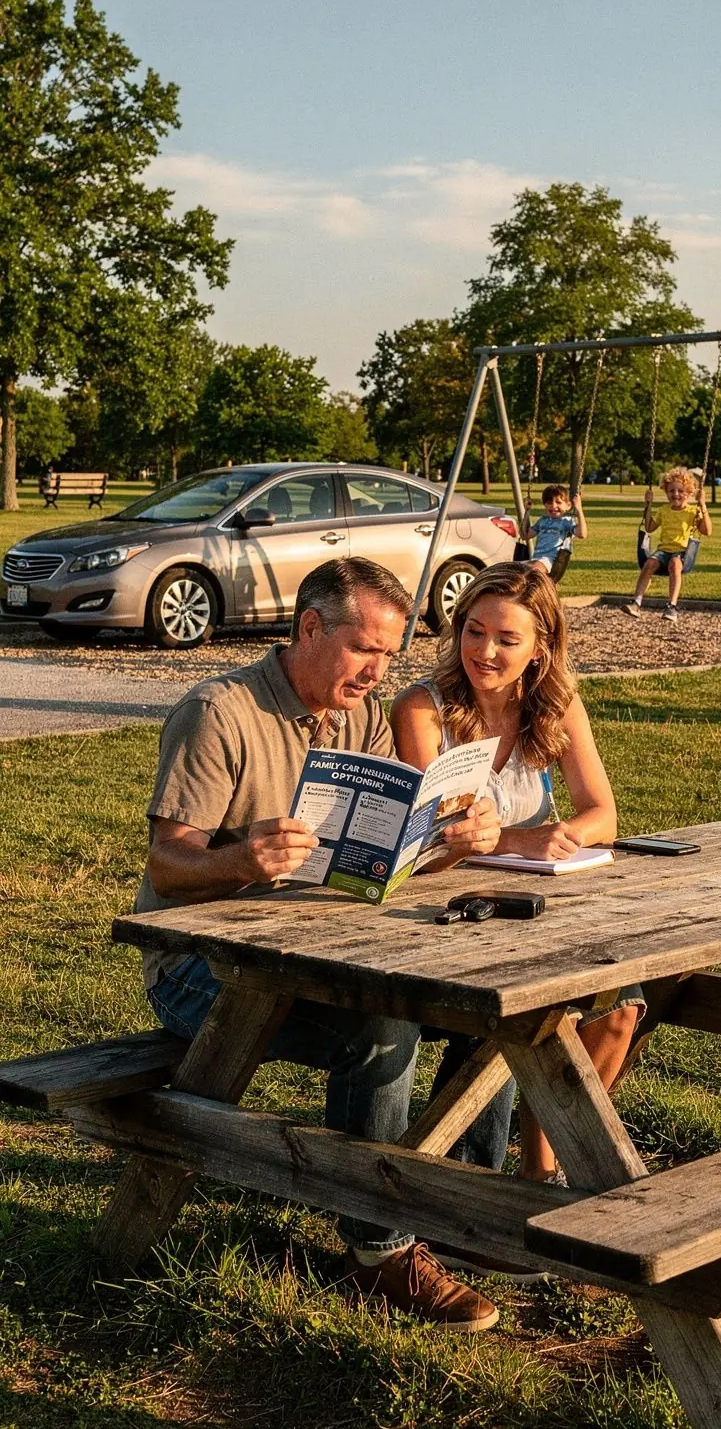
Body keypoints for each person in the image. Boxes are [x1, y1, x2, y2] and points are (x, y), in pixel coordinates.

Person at [136, 556, 503, 1333]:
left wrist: (451, 841)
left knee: (493, 1011)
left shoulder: (362, 716)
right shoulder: (220, 712)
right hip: (201, 968)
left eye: (389, 655)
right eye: (365, 650)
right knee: (381, 1027)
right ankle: (377, 1254)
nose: (379, 672)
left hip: (319, 944)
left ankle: (467, 1211)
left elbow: (383, 853)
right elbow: (166, 867)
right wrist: (240, 860)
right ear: (310, 627)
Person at [391, 562, 644, 1216]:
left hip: (539, 903)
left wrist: (562, 835)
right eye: (474, 632)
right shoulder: (423, 707)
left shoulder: (555, 705)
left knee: (621, 1008)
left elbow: (602, 814)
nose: (485, 651)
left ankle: (544, 1170)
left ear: (541, 647)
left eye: (507, 638)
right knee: (514, 1018)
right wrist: (523, 840)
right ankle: (475, 1203)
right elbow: (439, 832)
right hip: (446, 909)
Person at [623, 467, 712, 622]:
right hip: (663, 551)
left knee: (675, 565)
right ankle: (636, 603)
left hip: (682, 552)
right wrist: (648, 504)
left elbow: (706, 531)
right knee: (649, 563)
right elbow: (649, 527)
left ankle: (672, 606)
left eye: (680, 491)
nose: (675, 494)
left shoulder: (692, 511)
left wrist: (703, 506)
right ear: (666, 492)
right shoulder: (664, 510)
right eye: (671, 491)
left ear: (690, 493)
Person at [521, 482, 587, 573]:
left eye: (558, 502)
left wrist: (579, 509)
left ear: (568, 505)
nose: (553, 506)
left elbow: (582, 534)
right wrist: (527, 511)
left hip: (551, 561)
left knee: (531, 570)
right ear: (545, 505)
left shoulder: (567, 521)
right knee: (511, 569)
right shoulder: (542, 520)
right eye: (549, 502)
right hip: (536, 559)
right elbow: (525, 535)